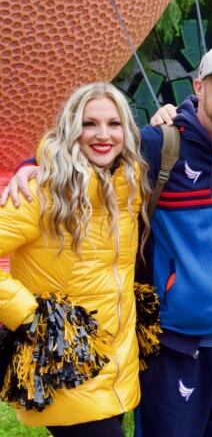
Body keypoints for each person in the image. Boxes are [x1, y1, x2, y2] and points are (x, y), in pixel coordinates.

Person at [0, 44, 212, 436]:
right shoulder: (151, 151)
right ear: (199, 88)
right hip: (133, 352)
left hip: (149, 355)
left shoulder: (127, 181)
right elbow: (63, 155)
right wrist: (33, 165)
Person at [0, 82, 148, 436]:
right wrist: (29, 314)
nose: (103, 135)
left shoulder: (129, 184)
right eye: (89, 123)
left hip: (116, 363)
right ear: (71, 129)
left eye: (114, 124)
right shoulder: (39, 190)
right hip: (63, 364)